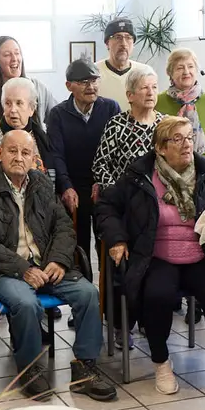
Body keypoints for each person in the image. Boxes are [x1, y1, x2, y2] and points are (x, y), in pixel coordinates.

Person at [96, 117, 205, 404]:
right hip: (156, 255)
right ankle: (161, 363)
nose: (186, 144)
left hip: (202, 253)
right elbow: (106, 206)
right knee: (157, 295)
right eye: (177, 139)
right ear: (160, 148)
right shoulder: (139, 175)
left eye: (189, 137)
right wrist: (117, 239)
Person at [0, 130, 118, 402]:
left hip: (46, 264)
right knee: (26, 303)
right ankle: (29, 368)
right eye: (12, 151)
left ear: (35, 159)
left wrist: (58, 260)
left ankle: (85, 367)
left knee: (88, 294)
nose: (19, 158)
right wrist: (22, 267)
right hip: (5, 270)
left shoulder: (42, 185)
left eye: (26, 153)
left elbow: (63, 226)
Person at [47, 58, 121, 273]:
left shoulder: (110, 108)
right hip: (73, 187)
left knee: (106, 242)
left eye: (94, 80)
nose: (91, 87)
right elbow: (56, 155)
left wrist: (103, 182)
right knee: (77, 247)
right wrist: (66, 186)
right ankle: (84, 294)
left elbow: (114, 152)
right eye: (83, 82)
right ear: (69, 85)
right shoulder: (58, 114)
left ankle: (110, 302)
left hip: (102, 185)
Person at [155, 48, 205, 180]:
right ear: (170, 73)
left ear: (196, 70)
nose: (186, 72)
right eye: (180, 68)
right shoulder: (158, 102)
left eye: (190, 66)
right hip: (168, 178)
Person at [92, 68, 164, 191]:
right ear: (130, 95)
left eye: (154, 87)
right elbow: (100, 165)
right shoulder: (117, 125)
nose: (151, 92)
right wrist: (116, 193)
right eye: (144, 88)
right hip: (124, 198)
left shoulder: (165, 124)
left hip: (159, 198)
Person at [0, 77, 55, 177]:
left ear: (32, 109)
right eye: (8, 103)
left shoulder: (40, 135)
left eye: (19, 103)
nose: (12, 110)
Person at [0, 36, 58, 125]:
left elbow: (56, 120)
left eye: (17, 53)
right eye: (7, 55)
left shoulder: (38, 88)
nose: (14, 59)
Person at [96, 18, 155, 107]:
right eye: (118, 37)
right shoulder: (94, 72)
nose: (123, 44)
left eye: (128, 38)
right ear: (107, 43)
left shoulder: (145, 71)